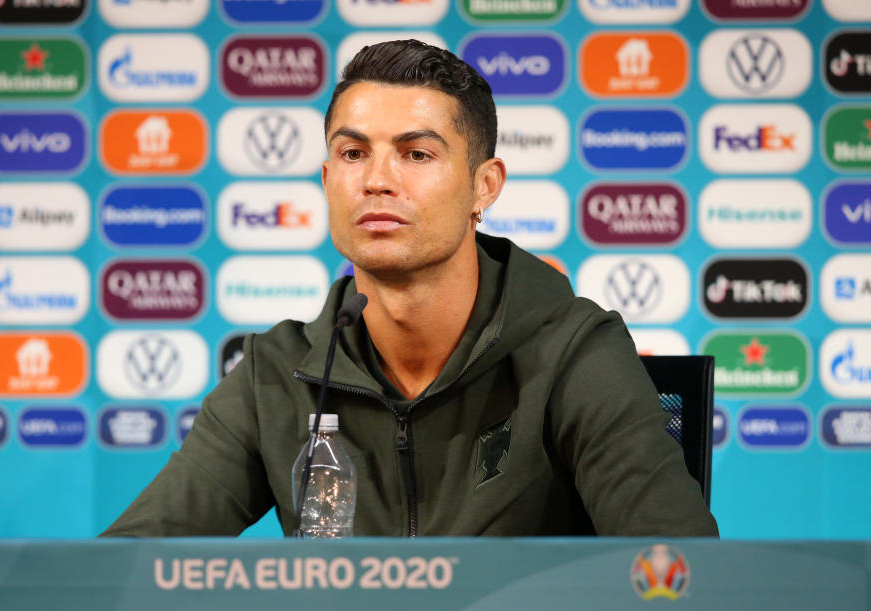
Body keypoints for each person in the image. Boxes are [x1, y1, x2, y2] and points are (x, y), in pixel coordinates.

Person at [101, 40, 718, 537]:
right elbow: (131, 565)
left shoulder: (573, 352)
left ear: (484, 186)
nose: (375, 180)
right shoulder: (278, 375)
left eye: (416, 155)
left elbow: (680, 574)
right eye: (352, 154)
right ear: (325, 178)